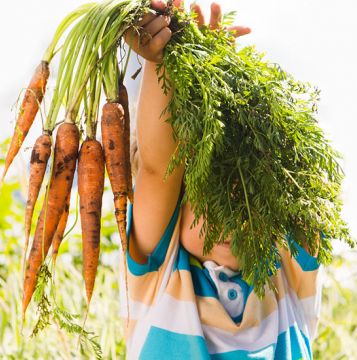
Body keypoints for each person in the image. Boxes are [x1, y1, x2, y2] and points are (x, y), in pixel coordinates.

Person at [121, 1, 323, 358]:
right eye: (210, 203)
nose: (230, 222)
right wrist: (165, 62)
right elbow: (157, 166)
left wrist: (223, 77)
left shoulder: (288, 281)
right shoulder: (161, 279)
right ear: (175, 210)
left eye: (247, 202)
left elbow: (297, 173)